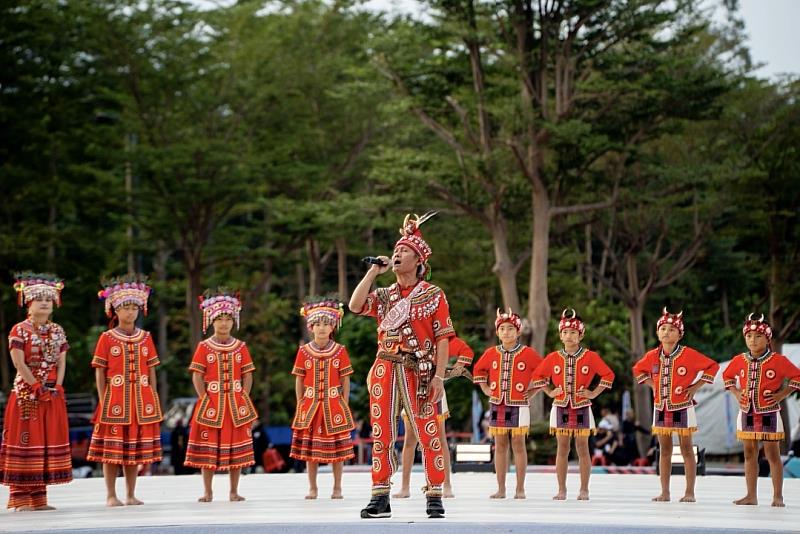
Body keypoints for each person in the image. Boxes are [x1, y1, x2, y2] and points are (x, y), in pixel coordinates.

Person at [349, 212, 455, 519]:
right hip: (385, 367)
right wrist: (373, 273)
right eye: (395, 251)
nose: (397, 254)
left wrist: (439, 376)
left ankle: (434, 493)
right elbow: (355, 306)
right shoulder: (384, 295)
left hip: (418, 370)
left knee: (428, 429)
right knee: (381, 430)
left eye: (404, 251)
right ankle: (380, 494)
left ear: (419, 260)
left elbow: (444, 338)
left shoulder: (434, 295)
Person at [87, 276, 163, 506]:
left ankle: (130, 494)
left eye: (134, 308)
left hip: (141, 400)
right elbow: (100, 371)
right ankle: (111, 494)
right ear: (115, 310)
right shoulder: (106, 338)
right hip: (115, 399)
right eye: (125, 308)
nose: (130, 313)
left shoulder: (146, 337)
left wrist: (154, 396)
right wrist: (103, 398)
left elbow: (151, 370)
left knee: (134, 450)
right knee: (111, 451)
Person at [0, 273, 72, 510]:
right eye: (39, 299)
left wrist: (57, 386)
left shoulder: (58, 330)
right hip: (26, 394)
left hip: (50, 393)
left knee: (45, 442)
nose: (44, 303)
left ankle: (40, 498)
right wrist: (36, 386)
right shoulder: (19, 330)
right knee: (26, 441)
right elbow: (19, 364)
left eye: (48, 300)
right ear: (28, 304)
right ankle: (20, 497)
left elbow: (61, 362)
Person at [633, 308, 719, 503]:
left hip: (682, 406)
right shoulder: (653, 355)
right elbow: (638, 370)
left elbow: (712, 366)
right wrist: (652, 384)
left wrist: (696, 386)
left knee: (687, 449)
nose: (666, 332)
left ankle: (690, 492)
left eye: (671, 329)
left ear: (680, 334)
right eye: (662, 328)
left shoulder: (688, 354)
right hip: (660, 406)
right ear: (657, 333)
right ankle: (665, 492)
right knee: (664, 450)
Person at [531, 308, 614, 500]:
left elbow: (608, 374)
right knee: (562, 447)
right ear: (560, 335)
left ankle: (584, 489)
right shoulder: (552, 358)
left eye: (574, 332)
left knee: (583, 447)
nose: (569, 336)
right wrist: (550, 391)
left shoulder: (591, 357)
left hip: (582, 406)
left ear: (581, 335)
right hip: (560, 405)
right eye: (565, 332)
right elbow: (537, 376)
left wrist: (593, 393)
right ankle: (562, 489)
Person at [184, 290, 258, 502]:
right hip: (211, 402)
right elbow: (197, 375)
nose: (224, 324)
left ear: (234, 321)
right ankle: (208, 491)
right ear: (210, 320)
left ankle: (234, 491)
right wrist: (204, 397)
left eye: (228, 319)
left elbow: (247, 374)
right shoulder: (204, 347)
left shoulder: (240, 347)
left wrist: (244, 396)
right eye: (219, 319)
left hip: (235, 403)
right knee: (209, 449)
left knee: (236, 450)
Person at [723, 314, 800, 507]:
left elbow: (797, 377)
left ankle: (778, 496)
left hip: (769, 412)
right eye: (749, 336)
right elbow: (727, 377)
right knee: (749, 453)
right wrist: (736, 392)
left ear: (767, 338)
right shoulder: (739, 360)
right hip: (747, 411)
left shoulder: (778, 360)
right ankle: (751, 495)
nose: (752, 340)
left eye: (758, 336)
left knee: (772, 454)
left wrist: (781, 394)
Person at [393, 335, 474, 499]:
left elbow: (466, 352)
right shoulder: (408, 335)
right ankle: (405, 486)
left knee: (440, 439)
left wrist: (449, 371)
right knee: (410, 440)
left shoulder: (443, 338)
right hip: (411, 388)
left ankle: (446, 484)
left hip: (434, 391)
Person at [290, 297, 355, 499]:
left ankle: (337, 488)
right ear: (311, 326)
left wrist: (344, 402)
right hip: (310, 406)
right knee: (311, 451)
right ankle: (313, 487)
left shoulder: (340, 351)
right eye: (317, 324)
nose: (321, 328)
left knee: (338, 451)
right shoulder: (303, 351)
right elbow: (299, 379)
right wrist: (301, 402)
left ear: (333, 326)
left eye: (326, 324)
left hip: (334, 404)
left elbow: (345, 379)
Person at [473, 309, 542, 499]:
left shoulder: (528, 353)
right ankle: (501, 488)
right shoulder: (491, 353)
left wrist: (532, 392)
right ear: (497, 332)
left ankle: (520, 488)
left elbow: (544, 373)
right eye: (502, 328)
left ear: (518, 331)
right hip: (497, 403)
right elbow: (478, 370)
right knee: (500, 444)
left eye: (511, 328)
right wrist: (486, 389)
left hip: (519, 404)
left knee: (518, 444)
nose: (506, 332)